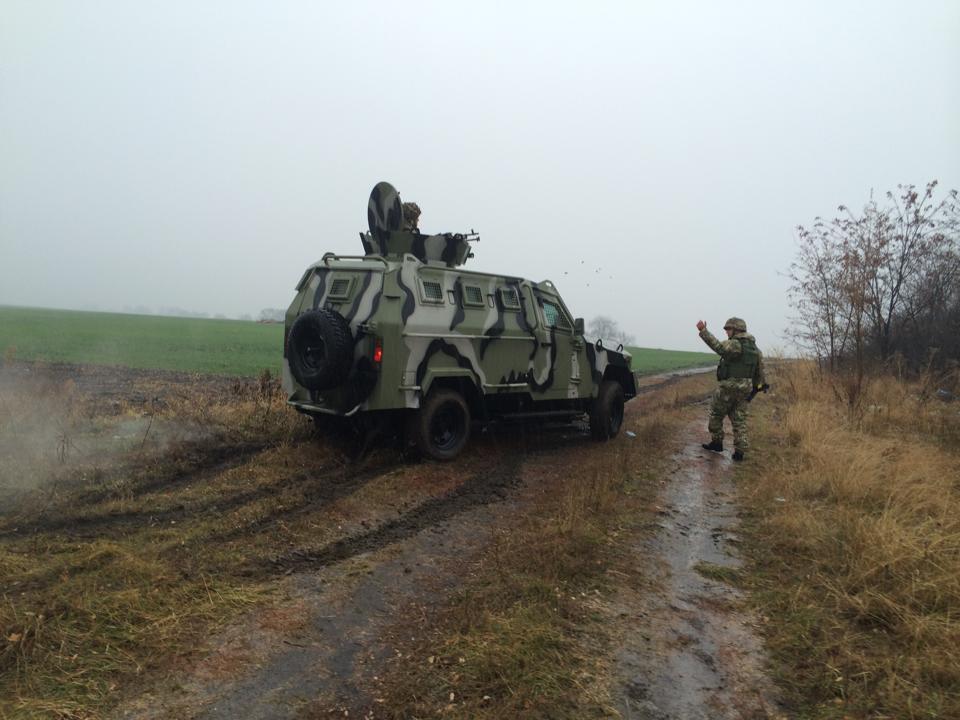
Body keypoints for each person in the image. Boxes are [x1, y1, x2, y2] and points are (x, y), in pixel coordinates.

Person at [696, 317, 765, 461]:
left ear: (736, 330)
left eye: (728, 329)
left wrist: (703, 331)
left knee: (716, 413)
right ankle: (739, 453)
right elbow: (760, 371)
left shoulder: (735, 344)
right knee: (739, 420)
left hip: (729, 387)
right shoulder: (755, 349)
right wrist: (758, 387)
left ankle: (717, 443)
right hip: (745, 389)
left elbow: (718, 347)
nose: (727, 332)